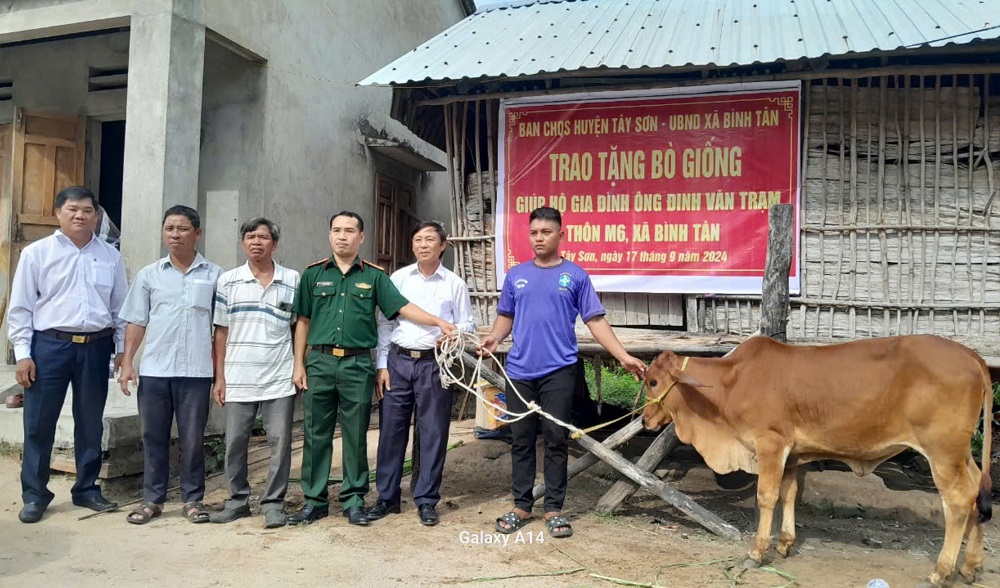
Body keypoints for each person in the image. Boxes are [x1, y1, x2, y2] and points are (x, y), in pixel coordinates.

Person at [479, 206, 645, 539]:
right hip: (520, 371)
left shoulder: (576, 276)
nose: (539, 238)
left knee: (556, 440)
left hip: (559, 371)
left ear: (560, 235)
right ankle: (521, 506)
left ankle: (554, 509)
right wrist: (494, 338)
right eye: (534, 233)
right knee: (521, 440)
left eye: (546, 232)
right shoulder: (516, 276)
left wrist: (622, 355)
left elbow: (595, 320)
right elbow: (505, 316)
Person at [289, 211, 457, 527]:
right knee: (316, 434)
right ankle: (314, 501)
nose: (342, 236)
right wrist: (298, 364)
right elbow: (303, 321)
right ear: (329, 235)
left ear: (361, 238)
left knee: (355, 435)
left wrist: (436, 321)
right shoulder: (312, 275)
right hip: (320, 362)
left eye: (350, 231)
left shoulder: (375, 277)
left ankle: (353, 500)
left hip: (356, 364)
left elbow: (402, 307)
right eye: (336, 230)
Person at [7, 186, 128, 523]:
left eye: (87, 210)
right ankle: (35, 494)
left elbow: (120, 307)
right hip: (49, 347)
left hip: (96, 346)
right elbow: (20, 308)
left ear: (96, 215)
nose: (80, 216)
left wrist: (121, 350)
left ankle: (87, 489)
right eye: (73, 209)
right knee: (38, 424)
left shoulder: (110, 256)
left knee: (90, 421)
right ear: (58, 212)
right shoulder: (37, 254)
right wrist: (23, 354)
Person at [118, 205, 222, 525]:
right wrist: (127, 363)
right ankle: (152, 499)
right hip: (155, 371)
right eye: (169, 229)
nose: (175, 235)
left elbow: (221, 330)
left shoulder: (215, 275)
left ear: (197, 233)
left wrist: (220, 375)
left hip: (196, 372)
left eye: (182, 229)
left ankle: (193, 500)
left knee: (192, 439)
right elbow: (137, 321)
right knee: (153, 436)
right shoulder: (150, 274)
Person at [370, 221, 475, 526]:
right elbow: (385, 324)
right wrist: (382, 365)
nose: (423, 244)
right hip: (398, 363)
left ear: (442, 245)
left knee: (433, 433)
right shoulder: (399, 278)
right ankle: (387, 498)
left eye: (430, 239)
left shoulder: (454, 283)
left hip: (435, 364)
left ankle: (427, 499)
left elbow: (467, 323)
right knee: (391, 431)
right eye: (418, 240)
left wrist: (453, 334)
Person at [209, 218, 299, 529]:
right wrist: (219, 378)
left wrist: (298, 366)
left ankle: (273, 503)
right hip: (238, 376)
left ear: (275, 244)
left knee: (280, 442)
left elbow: (299, 327)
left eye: (263, 237)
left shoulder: (292, 279)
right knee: (235, 441)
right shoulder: (228, 281)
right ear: (243, 243)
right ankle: (237, 501)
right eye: (250, 237)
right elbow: (220, 332)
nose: (256, 242)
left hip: (279, 376)